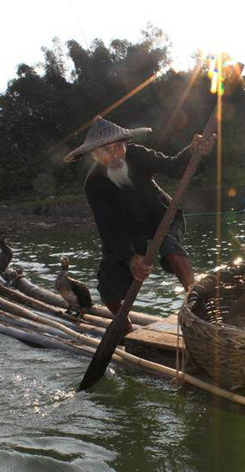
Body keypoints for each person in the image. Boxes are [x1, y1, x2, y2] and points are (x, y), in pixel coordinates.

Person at [64, 117, 215, 324]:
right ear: (95, 155)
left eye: (119, 146)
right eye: (106, 150)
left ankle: (197, 305)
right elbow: (109, 230)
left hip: (163, 219)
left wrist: (193, 151)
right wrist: (131, 257)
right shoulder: (94, 185)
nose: (115, 154)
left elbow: (173, 166)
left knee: (168, 243)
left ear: (126, 144)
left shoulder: (138, 155)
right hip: (127, 236)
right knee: (108, 287)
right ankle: (125, 330)